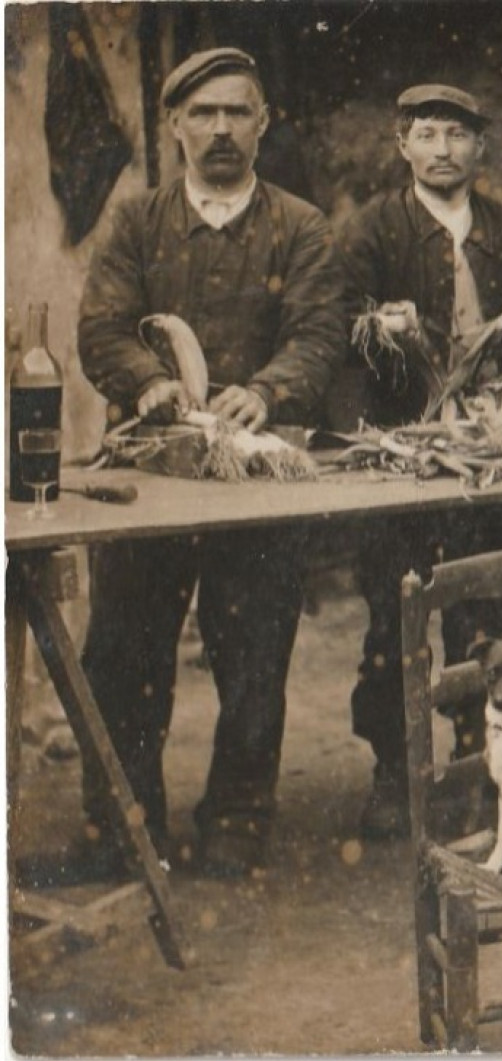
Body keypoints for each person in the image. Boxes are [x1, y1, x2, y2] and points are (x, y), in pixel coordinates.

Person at [70, 48, 346, 878]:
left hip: (256, 474)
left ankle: (237, 816)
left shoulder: (301, 227)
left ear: (263, 124)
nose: (220, 129)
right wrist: (149, 382)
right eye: (203, 114)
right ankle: (124, 825)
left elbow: (319, 334)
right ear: (175, 126)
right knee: (124, 651)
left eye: (237, 112)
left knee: (255, 648)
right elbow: (102, 330)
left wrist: (270, 389)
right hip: (149, 473)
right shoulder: (138, 222)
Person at [334, 84, 502, 838]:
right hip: (403, 450)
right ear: (402, 145)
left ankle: (481, 760)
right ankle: (396, 773)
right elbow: (334, 317)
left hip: (490, 448)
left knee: (489, 609)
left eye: (457, 136)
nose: (442, 150)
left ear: (479, 150)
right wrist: (378, 325)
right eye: (427, 135)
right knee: (393, 616)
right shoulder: (373, 227)